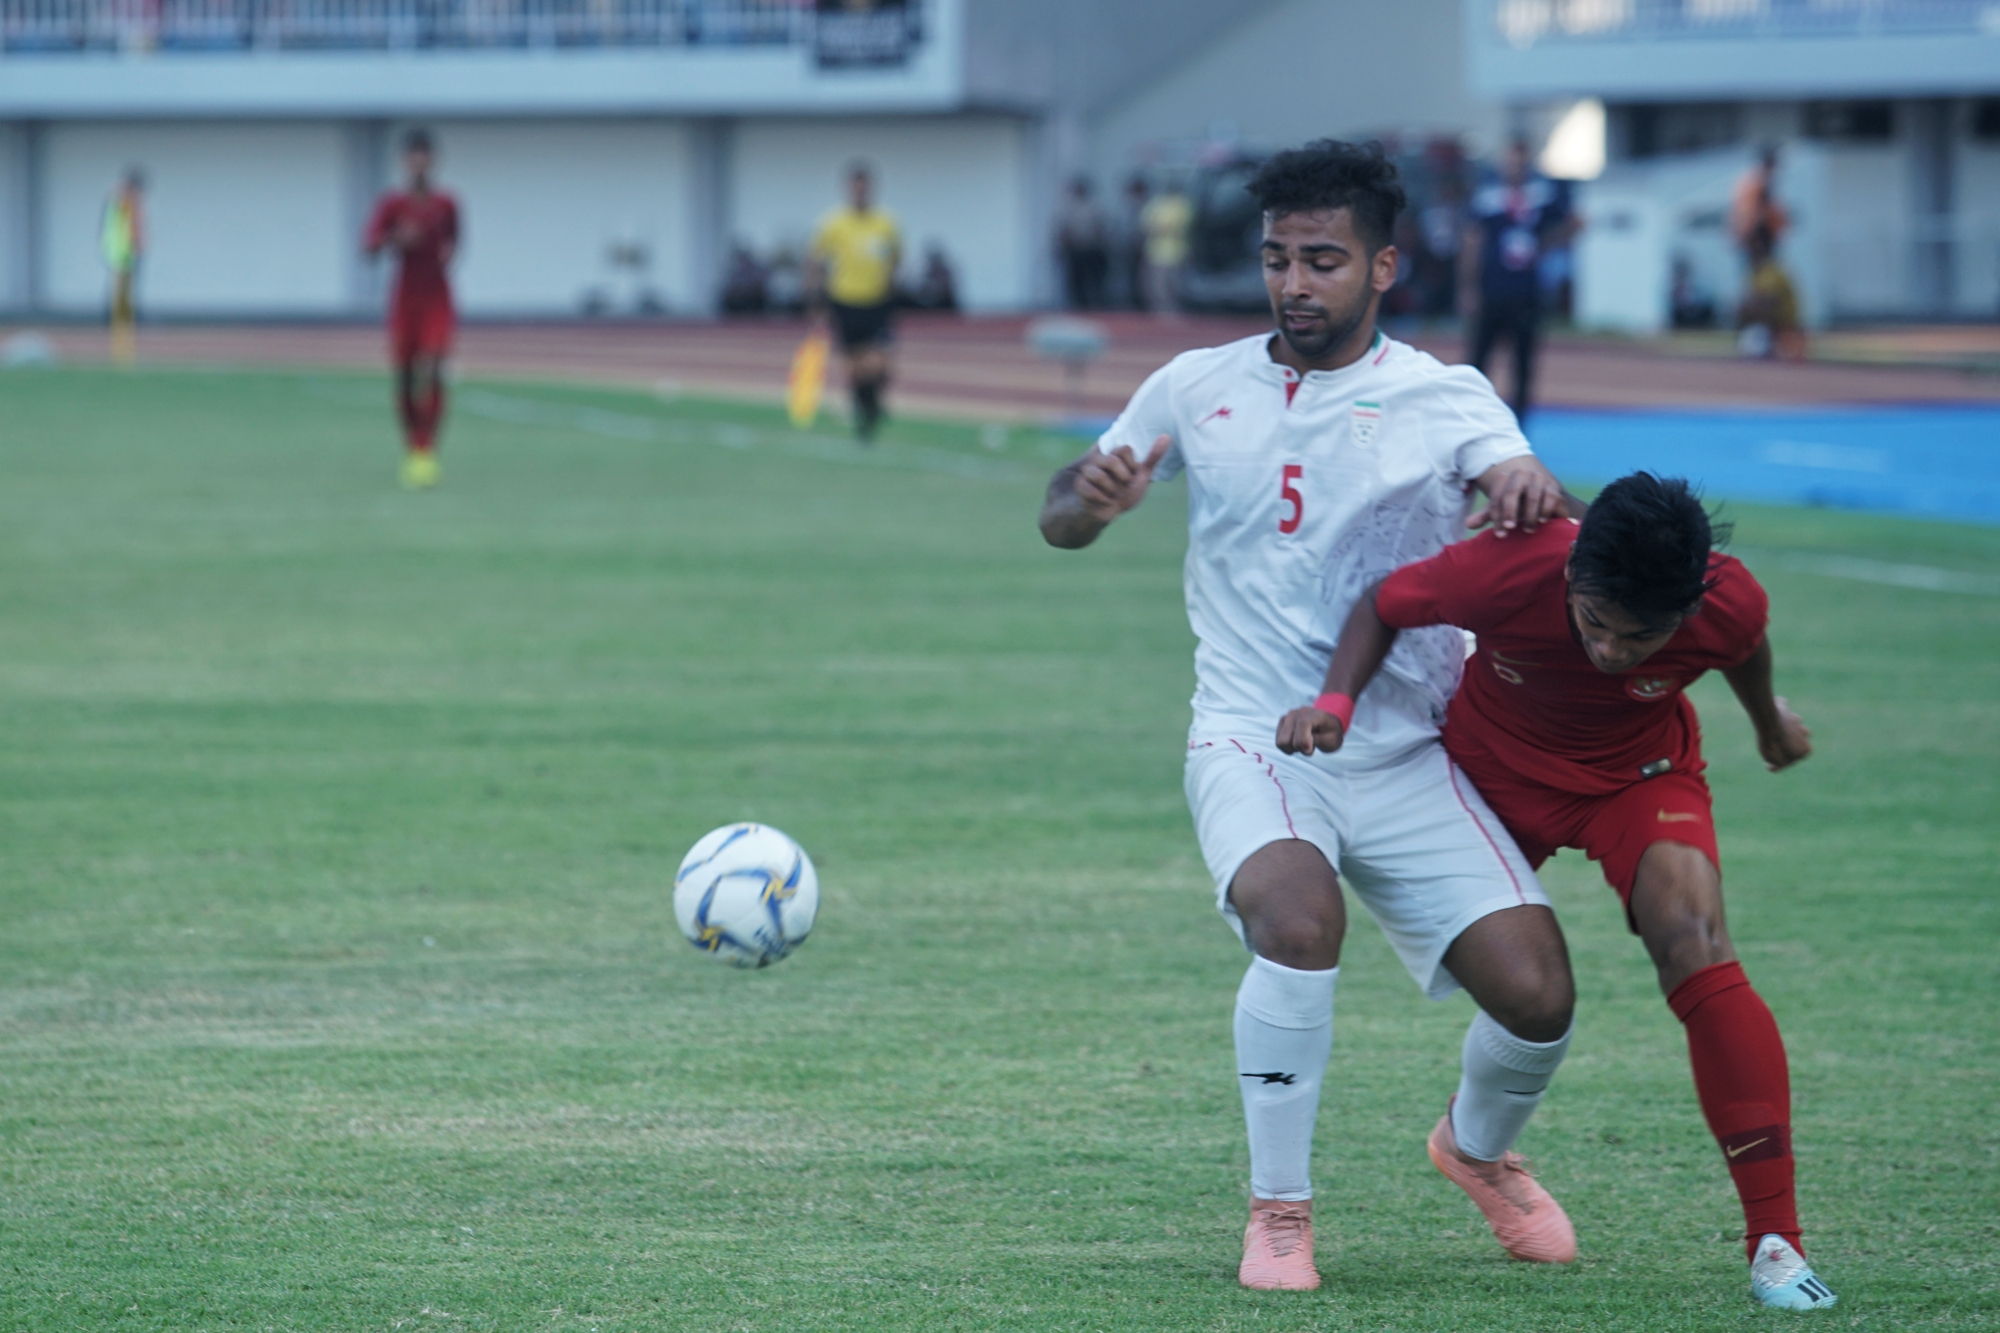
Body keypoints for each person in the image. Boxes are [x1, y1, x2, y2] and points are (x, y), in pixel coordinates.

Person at [1038, 139, 1585, 1292]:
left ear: (1383, 266)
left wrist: (1522, 488)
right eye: (1277, 258)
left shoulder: (1446, 397)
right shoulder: (1196, 382)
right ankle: (1278, 1211)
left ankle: (1474, 1151)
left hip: (1402, 750)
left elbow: (1519, 494)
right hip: (1250, 735)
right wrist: (1086, 502)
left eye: (1321, 260)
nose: (1292, 283)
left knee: (1538, 996)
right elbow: (1061, 514)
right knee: (1295, 923)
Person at [1276, 472, 1838, 1312]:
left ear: (1687, 608)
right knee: (1527, 992)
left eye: (1641, 636)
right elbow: (1384, 603)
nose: (1612, 650)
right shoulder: (1508, 567)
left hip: (1637, 777)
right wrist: (1336, 701)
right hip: (1489, 780)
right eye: (1595, 623)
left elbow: (1742, 644)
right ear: (1572, 580)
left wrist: (1768, 724)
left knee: (1696, 941)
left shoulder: (1728, 601)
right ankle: (1473, 1144)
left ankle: (1776, 1241)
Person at [363, 128, 460, 490]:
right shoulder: (393, 206)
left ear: (433, 160)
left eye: (424, 155)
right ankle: (411, 448)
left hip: (436, 297)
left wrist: (445, 253)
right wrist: (394, 239)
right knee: (404, 375)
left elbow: (455, 241)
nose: (418, 162)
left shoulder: (447, 205)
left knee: (433, 368)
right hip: (404, 298)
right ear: (404, 161)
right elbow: (368, 249)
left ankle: (427, 450)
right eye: (412, 155)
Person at [1462, 137, 1576, 423]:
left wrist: (1544, 244)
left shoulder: (1543, 194)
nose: (1515, 166)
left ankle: (1519, 425)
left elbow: (1574, 223)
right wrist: (1469, 287)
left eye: (1520, 161)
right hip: (1493, 290)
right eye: (1510, 160)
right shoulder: (1488, 196)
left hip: (1527, 292)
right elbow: (1473, 240)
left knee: (1523, 364)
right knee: (1478, 361)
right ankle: (1471, 419)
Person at [808, 161, 901, 442]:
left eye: (865, 187)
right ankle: (865, 415)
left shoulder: (886, 223)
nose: (860, 192)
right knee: (853, 365)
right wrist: (815, 300)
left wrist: (889, 283)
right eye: (855, 187)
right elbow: (816, 260)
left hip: (877, 301)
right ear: (848, 189)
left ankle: (871, 404)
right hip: (845, 300)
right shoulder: (833, 223)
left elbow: (896, 258)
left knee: (880, 364)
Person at [102, 168, 146, 365]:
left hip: (117, 256)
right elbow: (134, 230)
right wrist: (138, 249)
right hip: (123, 257)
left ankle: (121, 351)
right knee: (124, 306)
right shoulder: (127, 201)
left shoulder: (115, 200)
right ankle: (123, 353)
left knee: (121, 305)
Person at [1138, 174, 1193, 319]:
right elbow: (1146, 224)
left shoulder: (1182, 205)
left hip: (1174, 251)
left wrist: (1159, 229)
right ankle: (1159, 311)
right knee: (1155, 284)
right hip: (1155, 251)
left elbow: (1178, 227)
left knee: (1172, 284)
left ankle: (1171, 310)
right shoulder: (1158, 203)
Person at [1055, 175, 1111, 311]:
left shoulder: (1095, 206)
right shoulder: (1069, 207)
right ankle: (1078, 308)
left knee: (1094, 282)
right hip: (1076, 250)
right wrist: (1060, 247)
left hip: (1092, 249)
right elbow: (1063, 229)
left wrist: (1103, 245)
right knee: (1076, 283)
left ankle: (1096, 308)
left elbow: (1101, 228)